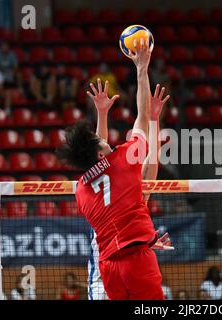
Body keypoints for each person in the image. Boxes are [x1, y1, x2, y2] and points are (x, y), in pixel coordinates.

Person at [57, 38, 171, 300]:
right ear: (99, 152)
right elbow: (141, 118)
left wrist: (102, 114)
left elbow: (98, 166)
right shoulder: (122, 161)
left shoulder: (81, 190)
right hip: (136, 260)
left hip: (108, 266)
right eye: (102, 141)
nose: (107, 140)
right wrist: (142, 71)